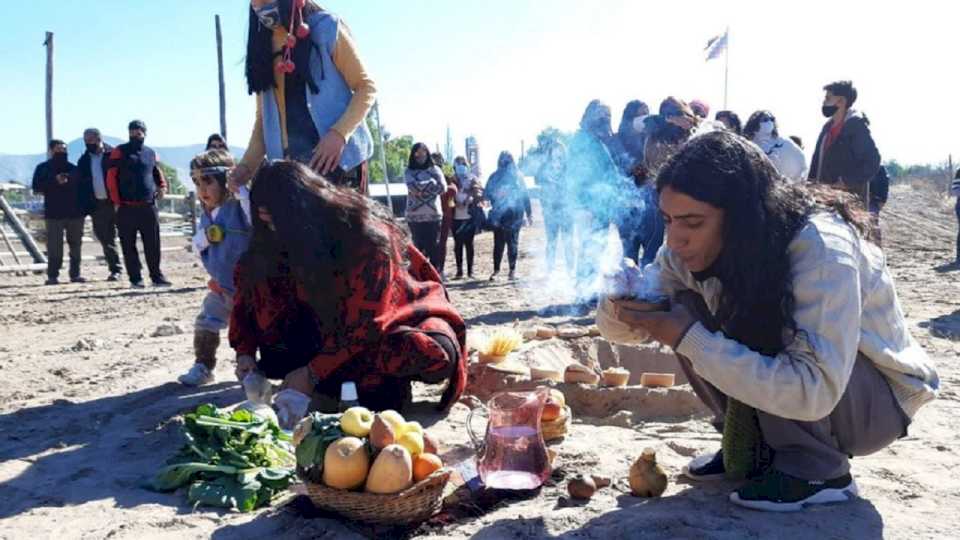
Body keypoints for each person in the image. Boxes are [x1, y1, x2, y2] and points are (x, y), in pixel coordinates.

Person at [597, 131, 939, 511]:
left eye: (692, 223)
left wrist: (689, 337)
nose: (675, 239)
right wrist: (618, 302)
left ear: (742, 215)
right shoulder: (682, 249)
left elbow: (815, 390)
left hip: (870, 407)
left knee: (744, 314)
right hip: (824, 395)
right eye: (668, 220)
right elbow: (628, 333)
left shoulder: (822, 249)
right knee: (682, 307)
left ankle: (818, 469)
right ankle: (751, 445)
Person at [229, 160, 467, 414]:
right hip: (329, 332)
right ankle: (336, 383)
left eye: (277, 221)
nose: (272, 230)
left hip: (392, 322)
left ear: (302, 211)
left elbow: (368, 323)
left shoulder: (365, 237)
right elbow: (248, 292)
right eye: (265, 221)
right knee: (279, 347)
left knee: (430, 354)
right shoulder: (275, 239)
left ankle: (373, 386)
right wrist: (244, 353)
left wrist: (312, 373)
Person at [230, 0, 375, 194]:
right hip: (292, 172)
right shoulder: (262, 47)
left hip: (341, 164)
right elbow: (264, 122)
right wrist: (246, 167)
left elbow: (365, 87)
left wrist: (339, 134)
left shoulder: (327, 27)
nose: (260, 5)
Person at [178, 150, 252, 387]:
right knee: (206, 322)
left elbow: (254, 221)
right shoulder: (206, 216)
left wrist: (240, 189)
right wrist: (206, 238)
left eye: (208, 181)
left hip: (251, 290)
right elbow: (199, 246)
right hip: (222, 288)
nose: (202, 189)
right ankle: (204, 366)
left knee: (252, 331)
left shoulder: (240, 207)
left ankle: (251, 370)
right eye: (197, 182)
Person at [566, 100, 625, 300]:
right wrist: (583, 205)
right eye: (601, 115)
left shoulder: (597, 141)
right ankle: (585, 293)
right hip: (588, 205)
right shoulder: (582, 141)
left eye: (608, 115)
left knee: (595, 247)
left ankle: (588, 291)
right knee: (589, 248)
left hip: (600, 206)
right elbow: (578, 176)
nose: (605, 120)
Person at [106, 120, 171, 288]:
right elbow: (112, 177)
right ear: (129, 133)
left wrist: (162, 186)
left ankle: (157, 276)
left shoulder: (150, 153)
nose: (136, 134)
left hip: (148, 206)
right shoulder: (119, 152)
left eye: (139, 131)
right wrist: (116, 202)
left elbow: (156, 172)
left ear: (144, 133)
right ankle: (135, 278)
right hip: (126, 206)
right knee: (128, 244)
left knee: (153, 243)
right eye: (133, 131)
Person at [809, 80, 881, 207]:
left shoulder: (856, 126)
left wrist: (846, 182)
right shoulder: (826, 129)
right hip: (823, 201)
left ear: (841, 101)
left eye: (828, 98)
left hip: (849, 207)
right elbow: (816, 164)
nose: (824, 102)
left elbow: (873, 161)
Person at [32, 139, 83, 285]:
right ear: (51, 151)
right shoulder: (42, 168)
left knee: (76, 245)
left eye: (64, 150)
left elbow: (81, 186)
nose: (62, 152)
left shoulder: (73, 168)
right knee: (54, 247)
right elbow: (36, 187)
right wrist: (54, 181)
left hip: (75, 212)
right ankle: (53, 275)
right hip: (54, 213)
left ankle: (75, 274)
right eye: (58, 150)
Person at [76, 128, 122, 281]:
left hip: (118, 202)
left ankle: (136, 269)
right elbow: (81, 184)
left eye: (90, 140)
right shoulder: (84, 161)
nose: (88, 143)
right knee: (106, 239)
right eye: (86, 140)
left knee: (127, 236)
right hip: (98, 205)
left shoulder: (114, 155)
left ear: (98, 138)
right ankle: (116, 269)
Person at [486, 151, 532, 281]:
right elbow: (486, 194)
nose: (506, 163)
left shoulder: (518, 177)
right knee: (498, 243)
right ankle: (496, 271)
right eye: (503, 160)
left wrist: (529, 214)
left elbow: (525, 196)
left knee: (513, 243)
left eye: (508, 160)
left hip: (516, 214)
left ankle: (512, 271)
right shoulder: (494, 176)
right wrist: (496, 194)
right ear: (499, 161)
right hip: (499, 215)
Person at [535, 140, 575, 273]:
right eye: (554, 150)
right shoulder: (544, 166)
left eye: (559, 149)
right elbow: (538, 179)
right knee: (551, 242)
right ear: (550, 152)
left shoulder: (569, 166)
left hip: (567, 209)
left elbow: (575, 184)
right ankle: (550, 270)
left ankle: (570, 270)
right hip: (550, 210)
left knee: (568, 242)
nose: (557, 152)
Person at [404, 143, 445, 268]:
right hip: (414, 216)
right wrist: (431, 183)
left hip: (433, 216)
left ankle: (435, 275)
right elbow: (412, 187)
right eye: (417, 152)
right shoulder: (408, 171)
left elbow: (442, 187)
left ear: (428, 153)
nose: (421, 155)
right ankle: (419, 277)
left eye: (423, 152)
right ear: (413, 154)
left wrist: (421, 188)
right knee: (417, 249)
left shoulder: (436, 170)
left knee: (433, 247)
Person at [743, 110, 807, 182]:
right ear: (755, 122)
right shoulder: (747, 144)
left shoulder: (783, 142)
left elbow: (800, 161)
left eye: (772, 119)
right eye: (765, 119)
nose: (770, 122)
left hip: (783, 186)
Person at [450, 156, 481, 279]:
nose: (461, 166)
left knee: (469, 244)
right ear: (454, 166)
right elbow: (447, 196)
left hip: (469, 216)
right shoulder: (451, 179)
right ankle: (459, 271)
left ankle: (470, 271)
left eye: (463, 163)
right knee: (457, 244)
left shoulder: (473, 178)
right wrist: (454, 203)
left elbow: (478, 193)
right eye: (458, 164)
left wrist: (470, 198)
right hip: (455, 216)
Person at [432, 152, 458, 277]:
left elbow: (453, 188)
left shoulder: (448, 175)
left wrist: (444, 189)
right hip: (431, 214)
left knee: (442, 243)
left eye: (438, 160)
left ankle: (440, 269)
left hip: (446, 214)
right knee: (430, 243)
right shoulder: (428, 174)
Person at [616, 100, 650, 169]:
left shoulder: (648, 138)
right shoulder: (617, 141)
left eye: (647, 115)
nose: (645, 119)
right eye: (643, 115)